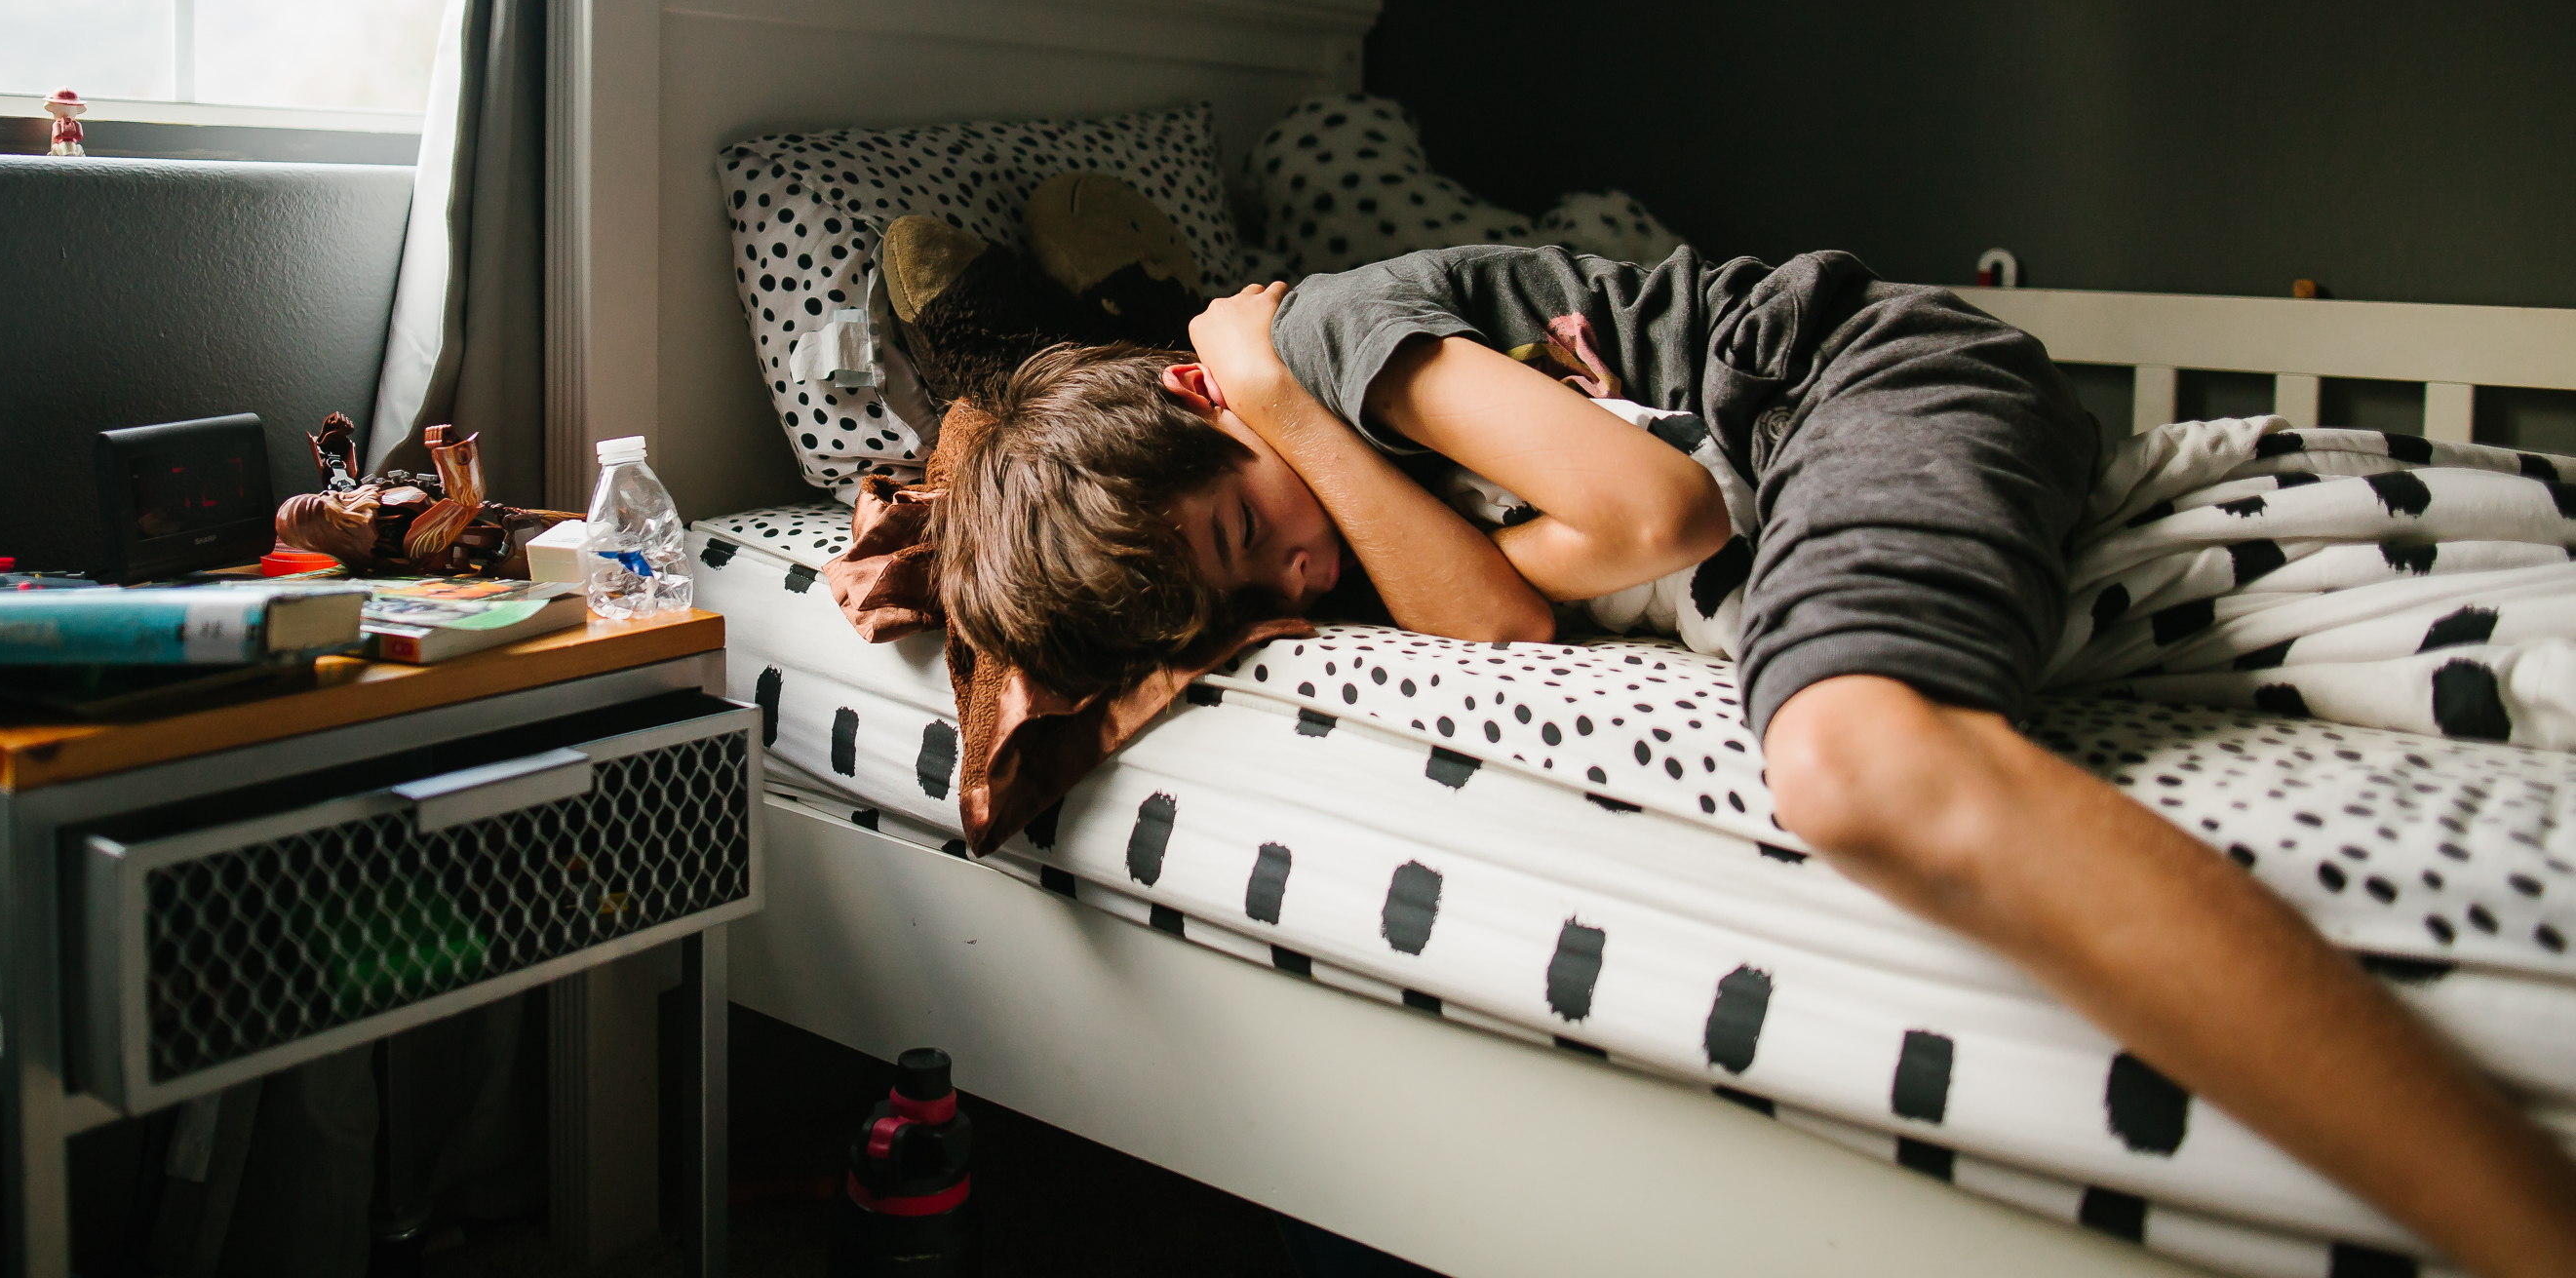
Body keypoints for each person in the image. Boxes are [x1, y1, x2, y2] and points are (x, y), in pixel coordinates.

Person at [929, 244, 2576, 1277]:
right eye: (1231, 606)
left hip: (1850, 380)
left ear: (1203, 396)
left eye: (1241, 529)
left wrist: (1290, 415)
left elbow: (1663, 514)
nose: (1292, 587)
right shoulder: (1304, 519)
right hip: (1811, 459)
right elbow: (1497, 635)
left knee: (1851, 760)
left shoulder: (1335, 339)